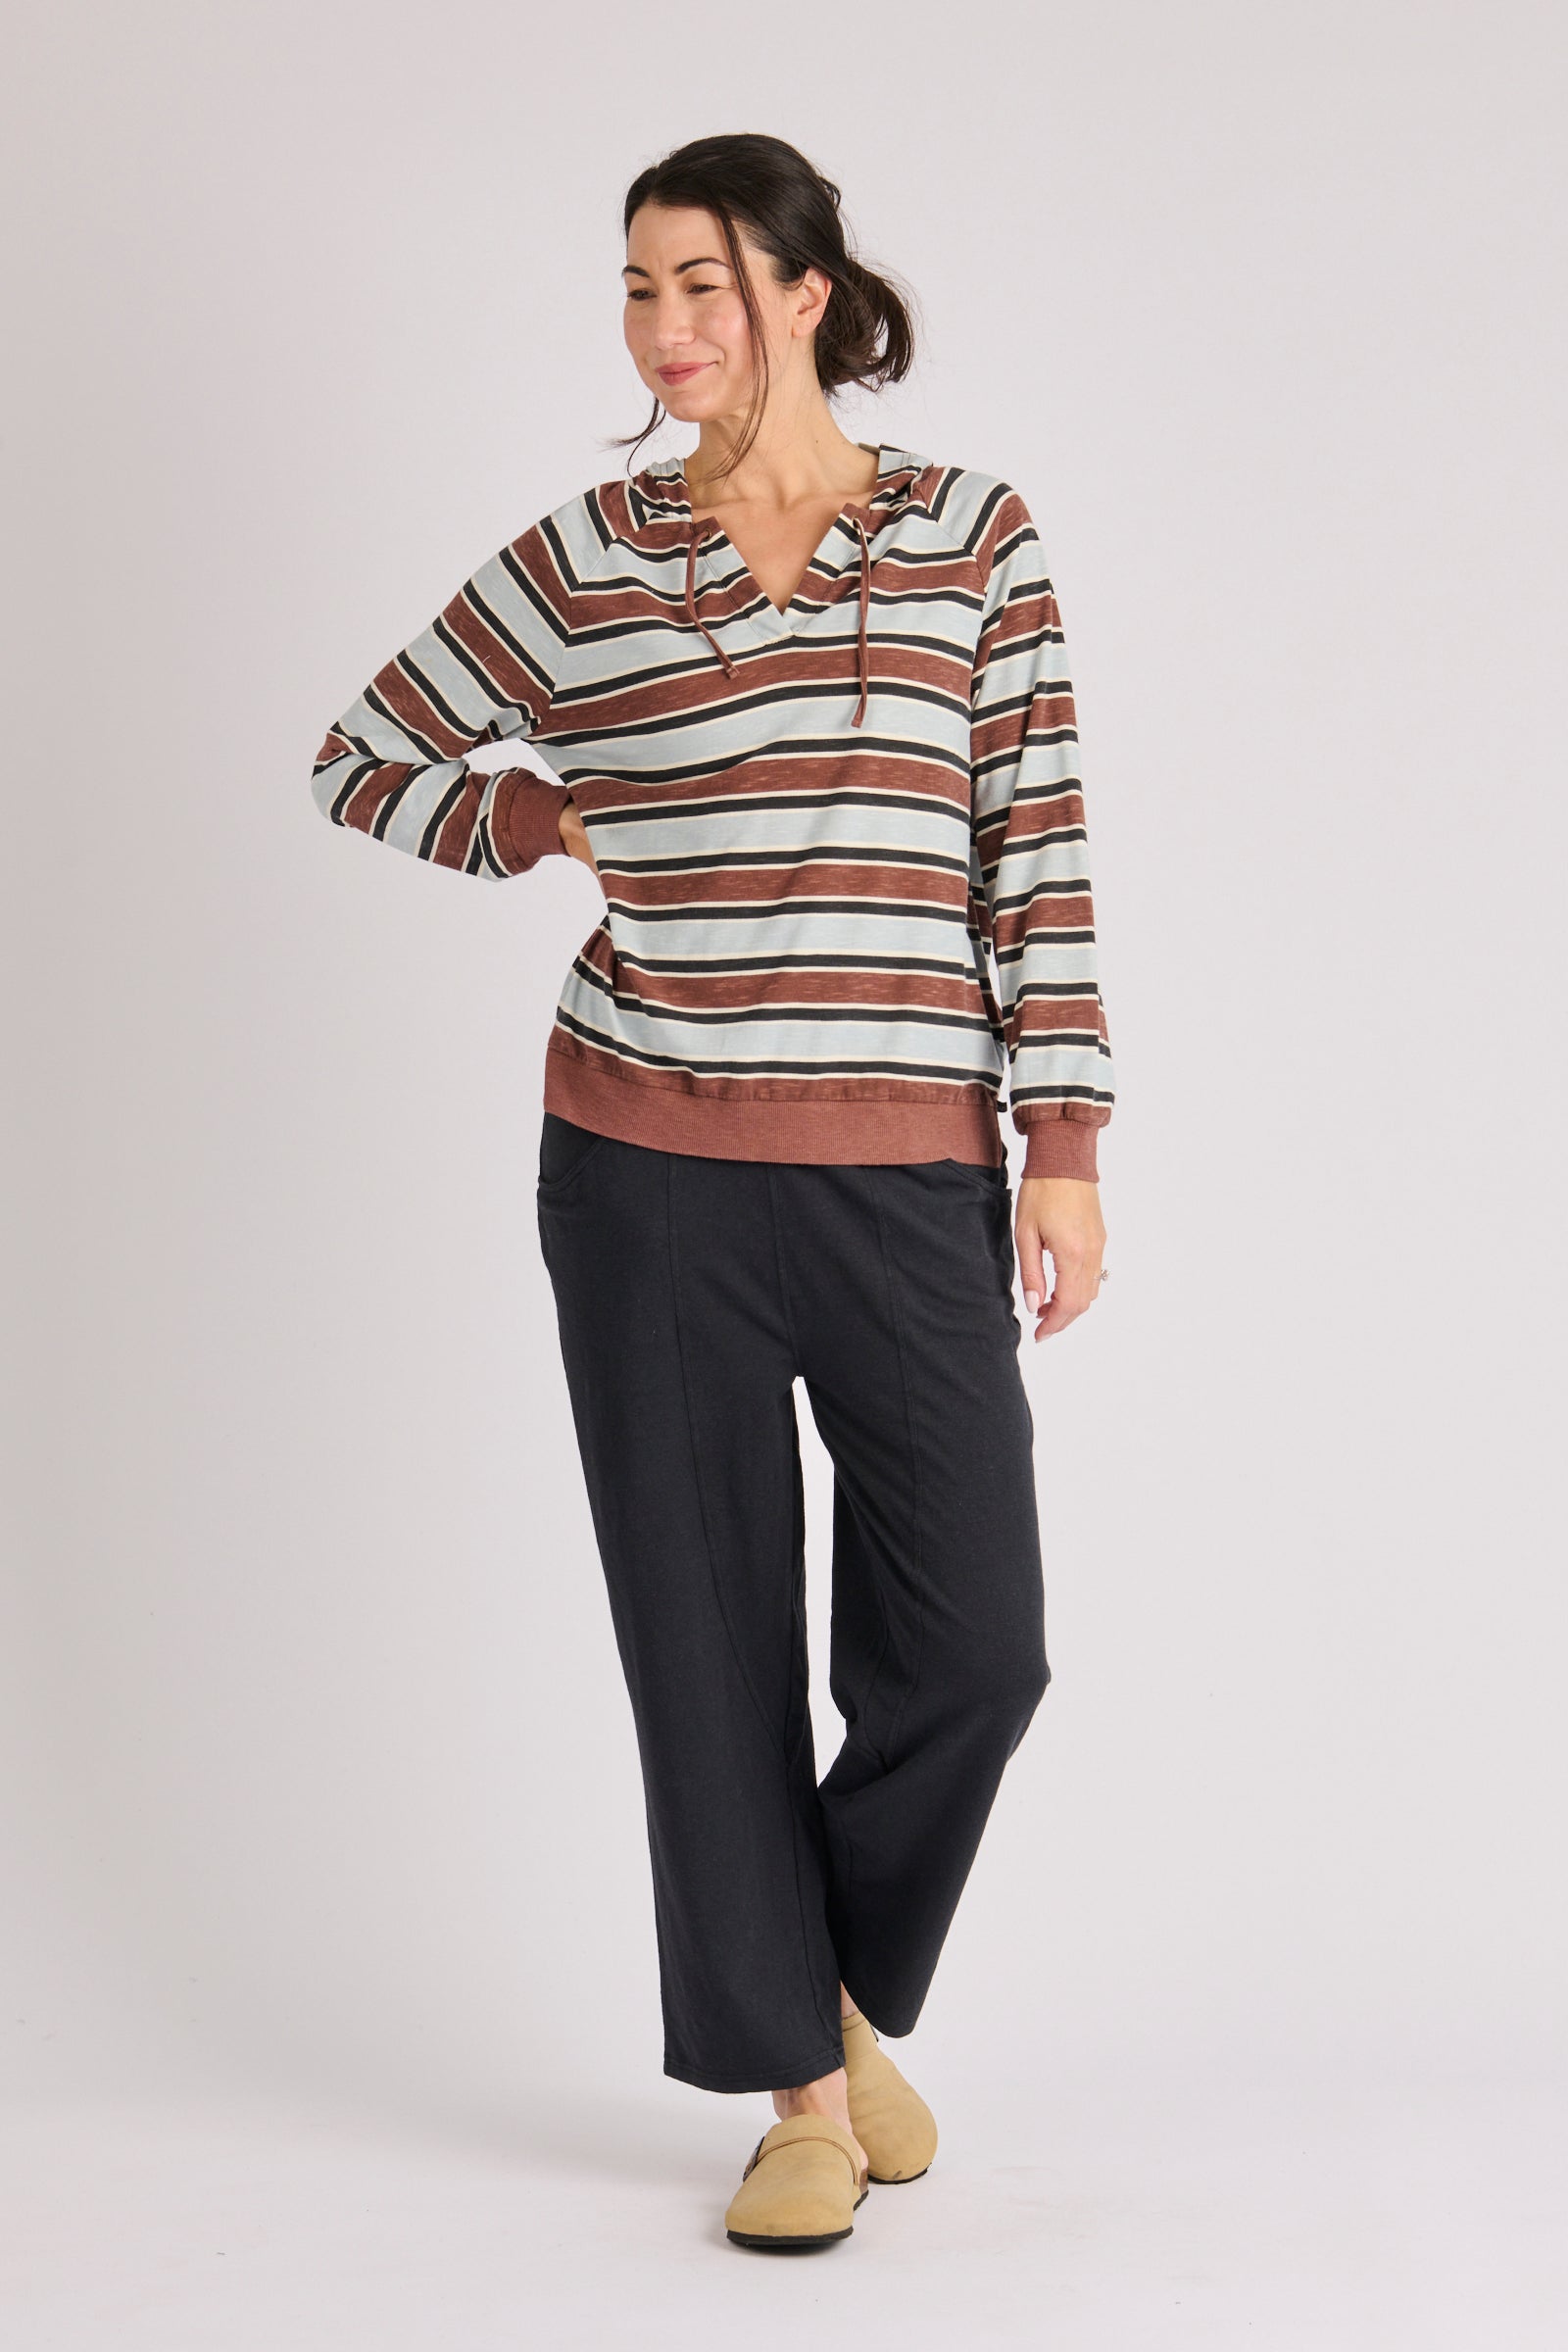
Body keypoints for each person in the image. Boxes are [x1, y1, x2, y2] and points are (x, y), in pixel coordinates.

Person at [310, 130, 1115, 2252]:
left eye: (703, 284)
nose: (663, 328)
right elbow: (361, 756)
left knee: (979, 1652)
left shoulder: (970, 539)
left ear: (807, 293)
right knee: (705, 1650)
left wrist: (1062, 1149)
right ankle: (796, 2103)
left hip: (904, 1179)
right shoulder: (585, 559)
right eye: (636, 287)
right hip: (644, 1173)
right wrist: (538, 823)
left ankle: (826, 1994)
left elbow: (1033, 856)